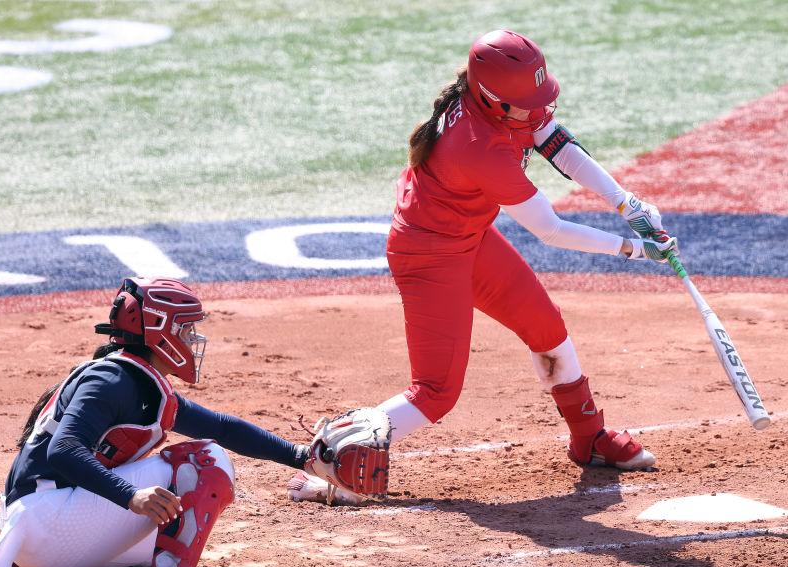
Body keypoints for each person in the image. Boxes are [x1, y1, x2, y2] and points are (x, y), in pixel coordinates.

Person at [288, 30, 678, 506]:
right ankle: (327, 459)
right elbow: (550, 230)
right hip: (428, 256)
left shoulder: (501, 106)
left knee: (546, 328)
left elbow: (554, 141)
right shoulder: (478, 147)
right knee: (435, 391)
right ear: (493, 99)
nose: (538, 109)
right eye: (526, 103)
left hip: (467, 238)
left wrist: (626, 201)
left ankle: (589, 439)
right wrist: (632, 249)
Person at [0, 277, 311, 567]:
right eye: (186, 330)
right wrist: (130, 496)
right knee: (207, 459)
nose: (192, 339)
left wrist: (304, 457)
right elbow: (64, 449)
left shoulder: (136, 379)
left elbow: (222, 426)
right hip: (50, 523)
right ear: (162, 332)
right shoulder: (111, 381)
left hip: (39, 539)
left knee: (174, 529)